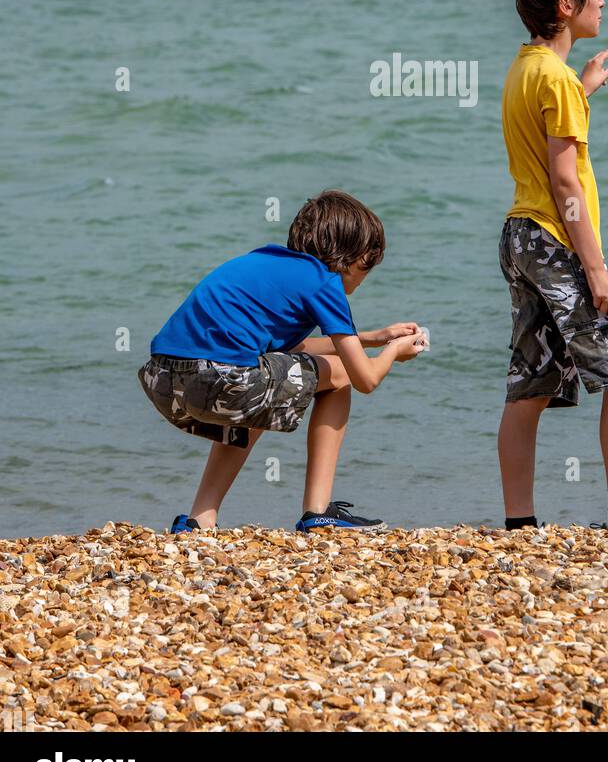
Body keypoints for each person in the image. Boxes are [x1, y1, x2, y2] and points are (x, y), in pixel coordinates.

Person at [139, 189, 425, 533]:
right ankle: (318, 511)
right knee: (339, 378)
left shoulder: (268, 262)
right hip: (224, 379)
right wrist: (394, 351)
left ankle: (200, 518)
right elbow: (365, 379)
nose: (367, 274)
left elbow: (295, 350)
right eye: (367, 263)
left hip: (165, 381)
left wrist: (371, 337)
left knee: (267, 382)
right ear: (347, 256)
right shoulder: (324, 281)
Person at [497, 0, 608, 531]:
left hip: (520, 236)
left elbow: (542, 147)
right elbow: (564, 179)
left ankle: (520, 524)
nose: (604, 1)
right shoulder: (556, 82)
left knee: (530, 382)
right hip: (555, 239)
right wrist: (595, 268)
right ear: (567, 6)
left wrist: (582, 92)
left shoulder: (526, 68)